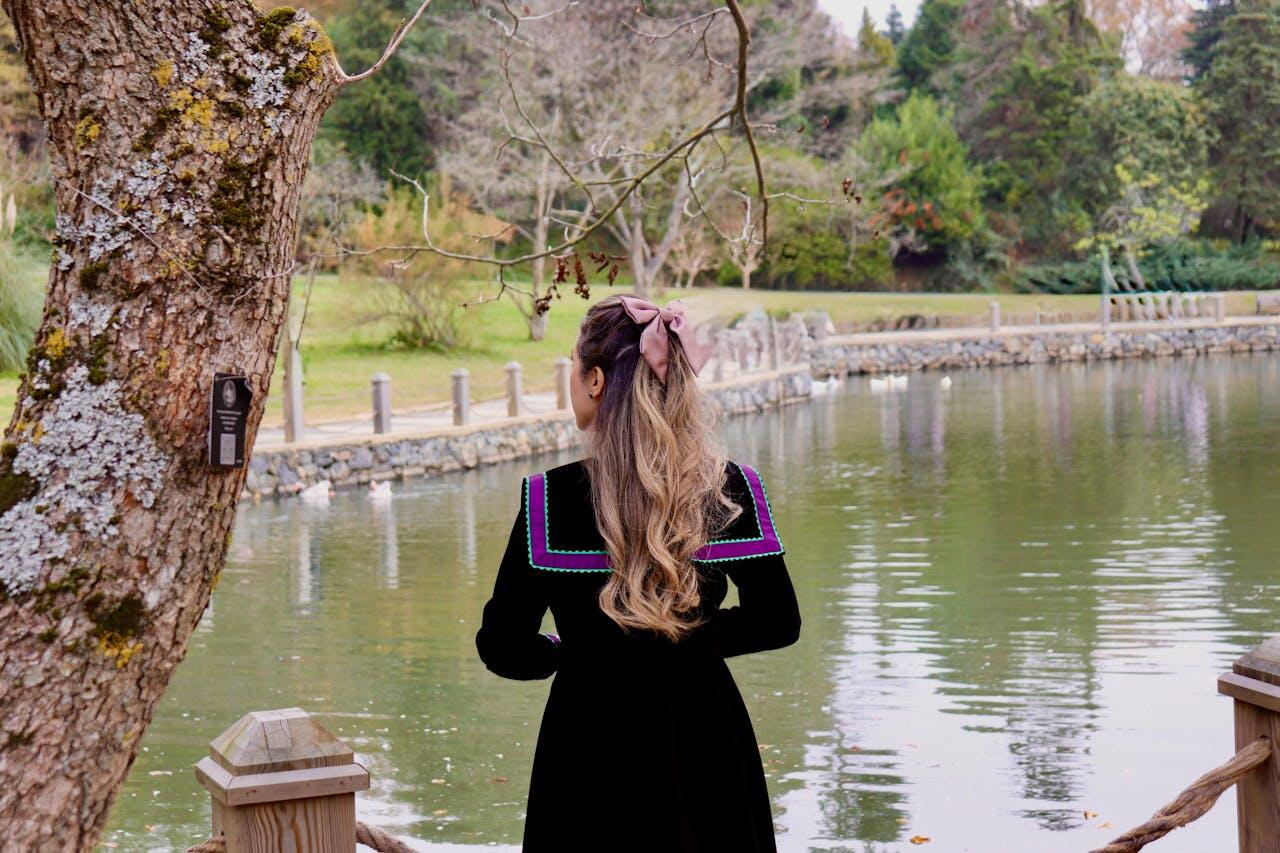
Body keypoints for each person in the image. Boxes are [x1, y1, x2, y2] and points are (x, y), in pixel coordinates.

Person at [475, 294, 802, 852]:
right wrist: (687, 640)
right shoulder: (731, 488)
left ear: (595, 380)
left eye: (573, 367)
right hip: (706, 742)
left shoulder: (550, 499)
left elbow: (504, 647)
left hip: (587, 746)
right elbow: (778, 621)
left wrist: (571, 650)